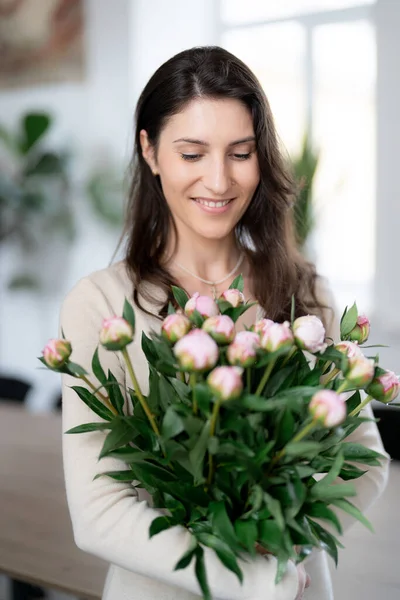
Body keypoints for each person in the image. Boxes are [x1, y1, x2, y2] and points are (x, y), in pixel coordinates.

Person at [60, 46, 390, 600]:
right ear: (150, 151)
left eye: (240, 153)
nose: (219, 181)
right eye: (192, 154)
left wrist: (289, 546)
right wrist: (252, 578)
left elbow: (367, 460)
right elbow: (98, 512)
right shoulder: (100, 303)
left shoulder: (306, 291)